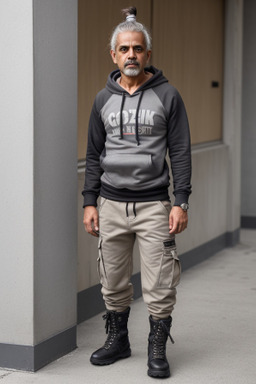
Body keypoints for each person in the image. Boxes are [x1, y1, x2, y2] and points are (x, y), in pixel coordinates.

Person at [82, 6, 191, 379]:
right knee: (112, 281)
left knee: (159, 284)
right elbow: (94, 154)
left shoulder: (168, 96)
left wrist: (181, 201)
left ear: (148, 54)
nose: (131, 55)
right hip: (110, 203)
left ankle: (157, 348)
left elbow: (179, 151)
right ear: (113, 54)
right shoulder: (102, 99)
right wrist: (89, 201)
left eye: (138, 49)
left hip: (154, 205)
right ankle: (118, 341)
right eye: (124, 49)